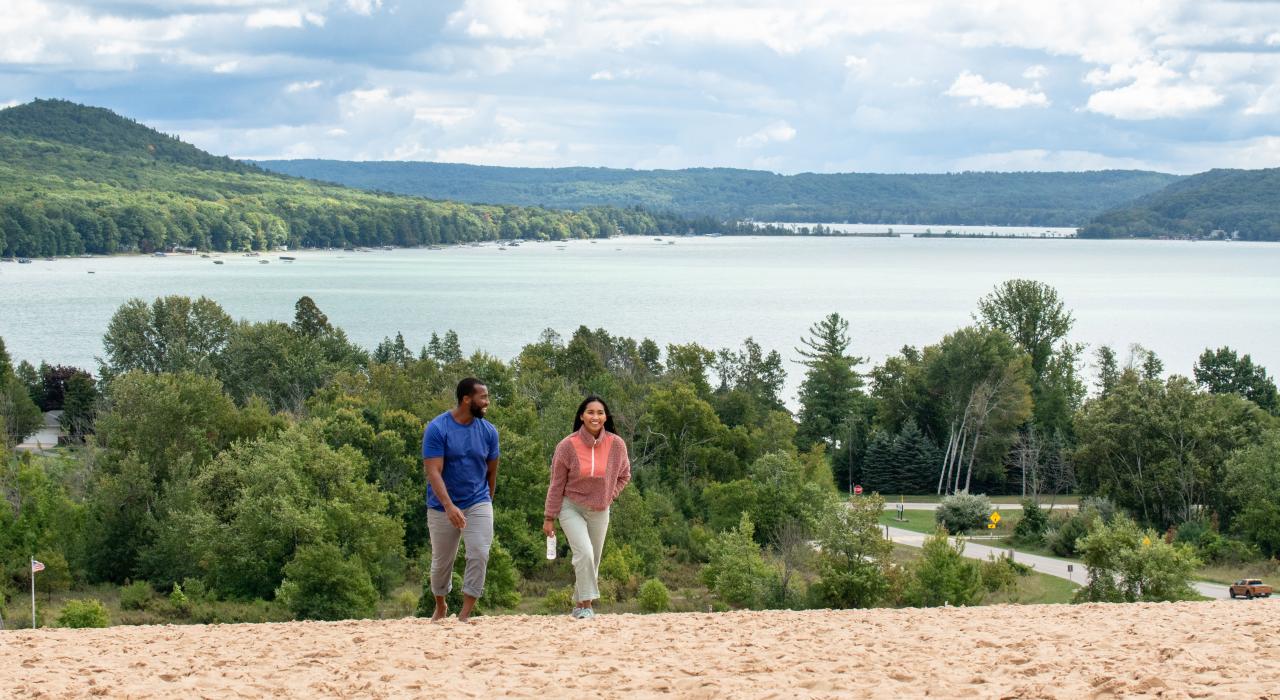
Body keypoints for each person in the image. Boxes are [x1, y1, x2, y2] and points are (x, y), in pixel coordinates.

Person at [543, 395, 631, 619]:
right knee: (584, 553)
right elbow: (556, 484)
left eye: (600, 413)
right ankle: (587, 606)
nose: (595, 417)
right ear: (581, 416)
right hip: (571, 507)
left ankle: (578, 606)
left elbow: (624, 475)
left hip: (600, 509)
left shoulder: (616, 444)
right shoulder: (567, 445)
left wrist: (609, 495)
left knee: (594, 559)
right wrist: (549, 517)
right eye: (590, 412)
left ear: (606, 417)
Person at [423, 377, 500, 623]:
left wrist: (487, 500)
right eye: (483, 397)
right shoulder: (438, 428)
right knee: (441, 562)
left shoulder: (489, 432)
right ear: (466, 399)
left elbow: (492, 470)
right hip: (441, 505)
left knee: (479, 553)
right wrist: (449, 506)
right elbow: (433, 471)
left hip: (477, 501)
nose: (487, 402)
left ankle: (465, 614)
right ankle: (441, 604)